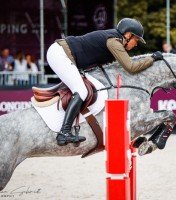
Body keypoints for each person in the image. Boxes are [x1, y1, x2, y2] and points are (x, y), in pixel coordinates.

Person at [46, 18, 163, 146]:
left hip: (66, 55)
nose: (136, 44)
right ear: (128, 35)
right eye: (136, 40)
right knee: (81, 90)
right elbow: (131, 67)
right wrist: (152, 58)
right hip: (60, 54)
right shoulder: (114, 42)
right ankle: (64, 132)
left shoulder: (114, 40)